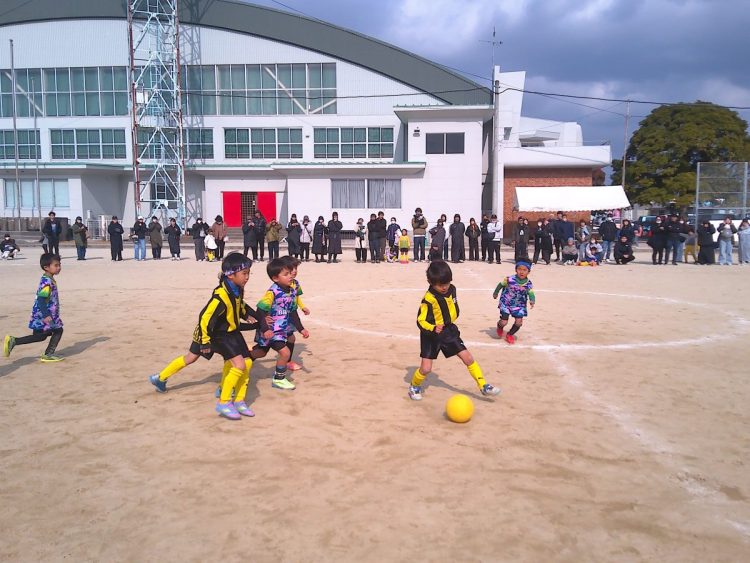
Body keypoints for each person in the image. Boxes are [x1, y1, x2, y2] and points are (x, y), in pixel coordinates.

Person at [148, 253, 261, 420]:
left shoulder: (236, 289)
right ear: (231, 274)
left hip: (226, 334)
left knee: (239, 361)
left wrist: (248, 315)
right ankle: (161, 378)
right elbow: (205, 318)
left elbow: (239, 305)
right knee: (192, 358)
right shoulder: (221, 296)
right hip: (208, 334)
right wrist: (205, 342)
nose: (247, 277)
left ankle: (226, 391)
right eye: (244, 273)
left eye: (248, 273)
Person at [408, 260, 501, 401]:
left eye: (447, 283)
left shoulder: (452, 289)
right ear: (430, 282)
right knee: (426, 368)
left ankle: (483, 385)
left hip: (449, 331)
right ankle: (414, 386)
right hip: (431, 335)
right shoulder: (428, 299)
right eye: (440, 285)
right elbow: (420, 321)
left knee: (468, 358)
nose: (444, 287)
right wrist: (433, 328)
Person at [251, 258, 309, 391]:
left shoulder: (292, 291)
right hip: (270, 331)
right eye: (286, 274)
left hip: (280, 331)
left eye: (290, 272)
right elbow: (260, 310)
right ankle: (278, 379)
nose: (290, 276)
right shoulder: (272, 292)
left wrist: (301, 329)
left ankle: (243, 360)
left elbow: (293, 311)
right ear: (275, 278)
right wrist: (265, 329)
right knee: (281, 352)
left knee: (262, 352)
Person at [3, 253, 65, 362]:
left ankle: (14, 341)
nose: (59, 267)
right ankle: (48, 354)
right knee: (58, 330)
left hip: (42, 314)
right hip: (45, 315)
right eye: (56, 265)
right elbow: (41, 299)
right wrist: (46, 315)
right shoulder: (47, 283)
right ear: (46, 267)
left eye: (59, 265)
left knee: (40, 336)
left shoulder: (48, 279)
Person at [493, 260, 535, 345]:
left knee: (519, 322)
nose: (521, 272)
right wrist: (496, 292)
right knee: (504, 322)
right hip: (506, 303)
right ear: (516, 270)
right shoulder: (509, 279)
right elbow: (500, 285)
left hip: (519, 305)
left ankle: (510, 334)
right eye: (519, 269)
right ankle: (499, 326)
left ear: (528, 272)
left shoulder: (528, 284)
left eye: (524, 270)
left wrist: (532, 300)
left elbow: (531, 293)